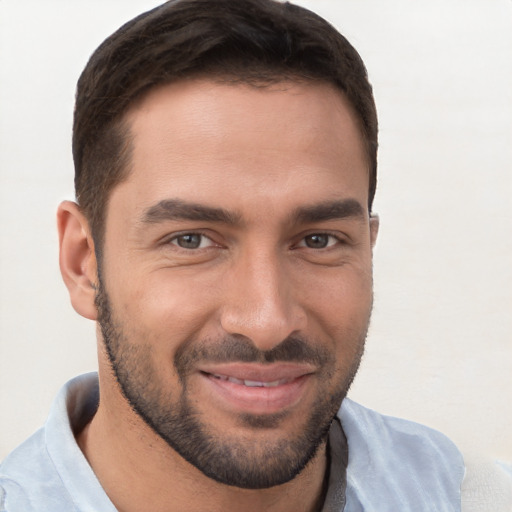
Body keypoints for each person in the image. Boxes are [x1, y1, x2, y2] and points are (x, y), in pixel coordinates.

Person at [0, 0, 467, 510]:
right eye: (192, 241)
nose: (267, 321)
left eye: (318, 240)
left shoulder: (474, 496)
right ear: (83, 263)